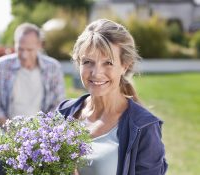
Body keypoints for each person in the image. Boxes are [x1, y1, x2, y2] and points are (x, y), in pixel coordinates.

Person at [57, 19, 168, 175]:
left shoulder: (144, 127)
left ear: (125, 65)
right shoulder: (64, 112)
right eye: (88, 62)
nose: (96, 73)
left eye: (108, 62)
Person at [0, 22, 65, 175]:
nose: (24, 54)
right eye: (20, 49)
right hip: (7, 136)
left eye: (29, 49)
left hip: (41, 140)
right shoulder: (2, 66)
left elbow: (58, 104)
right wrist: (10, 128)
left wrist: (38, 134)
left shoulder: (52, 68)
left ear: (40, 45)